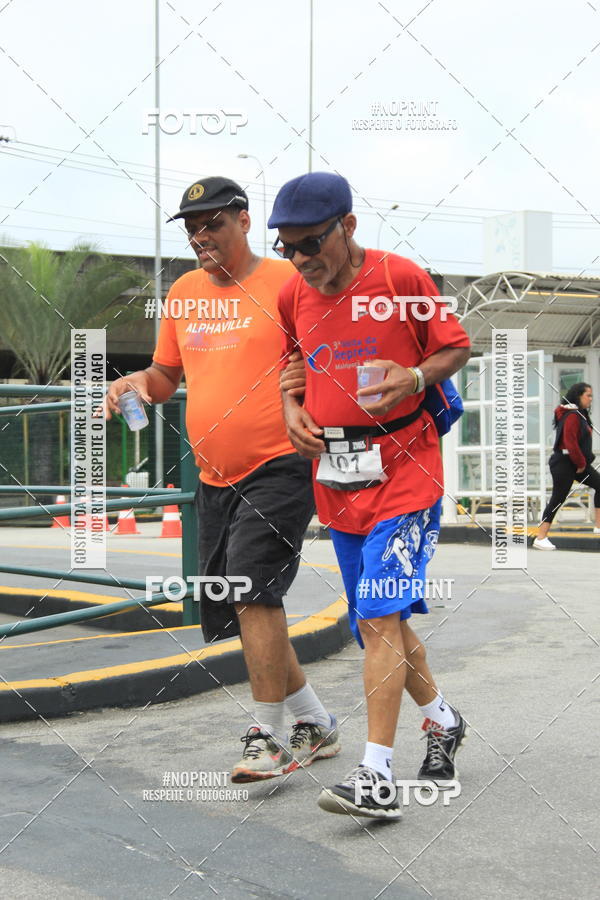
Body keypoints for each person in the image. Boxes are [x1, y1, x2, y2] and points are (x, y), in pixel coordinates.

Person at [106, 176, 339, 782]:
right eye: (191, 227)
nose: (199, 236)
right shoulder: (183, 292)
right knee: (239, 599)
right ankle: (315, 723)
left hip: (281, 462)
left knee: (253, 589)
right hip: (215, 474)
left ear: (244, 220)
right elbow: (164, 376)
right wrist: (133, 385)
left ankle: (269, 738)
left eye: (211, 223)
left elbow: (325, 360)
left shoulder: (288, 283)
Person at [270, 171, 471, 819]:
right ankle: (441, 721)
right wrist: (289, 405)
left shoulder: (401, 279)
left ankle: (375, 775)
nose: (301, 260)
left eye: (310, 244)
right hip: (337, 473)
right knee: (374, 621)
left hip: (407, 468)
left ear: (348, 227)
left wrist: (414, 373)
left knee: (380, 613)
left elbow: (454, 346)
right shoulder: (294, 295)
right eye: (289, 249)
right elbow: (290, 362)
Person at [533, 382, 600, 550]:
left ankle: (598, 526)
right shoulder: (572, 415)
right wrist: (581, 463)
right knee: (558, 498)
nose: (591, 399)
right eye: (588, 395)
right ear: (578, 396)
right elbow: (570, 442)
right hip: (564, 463)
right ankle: (540, 537)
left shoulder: (581, 414)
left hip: (576, 463)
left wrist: (582, 462)